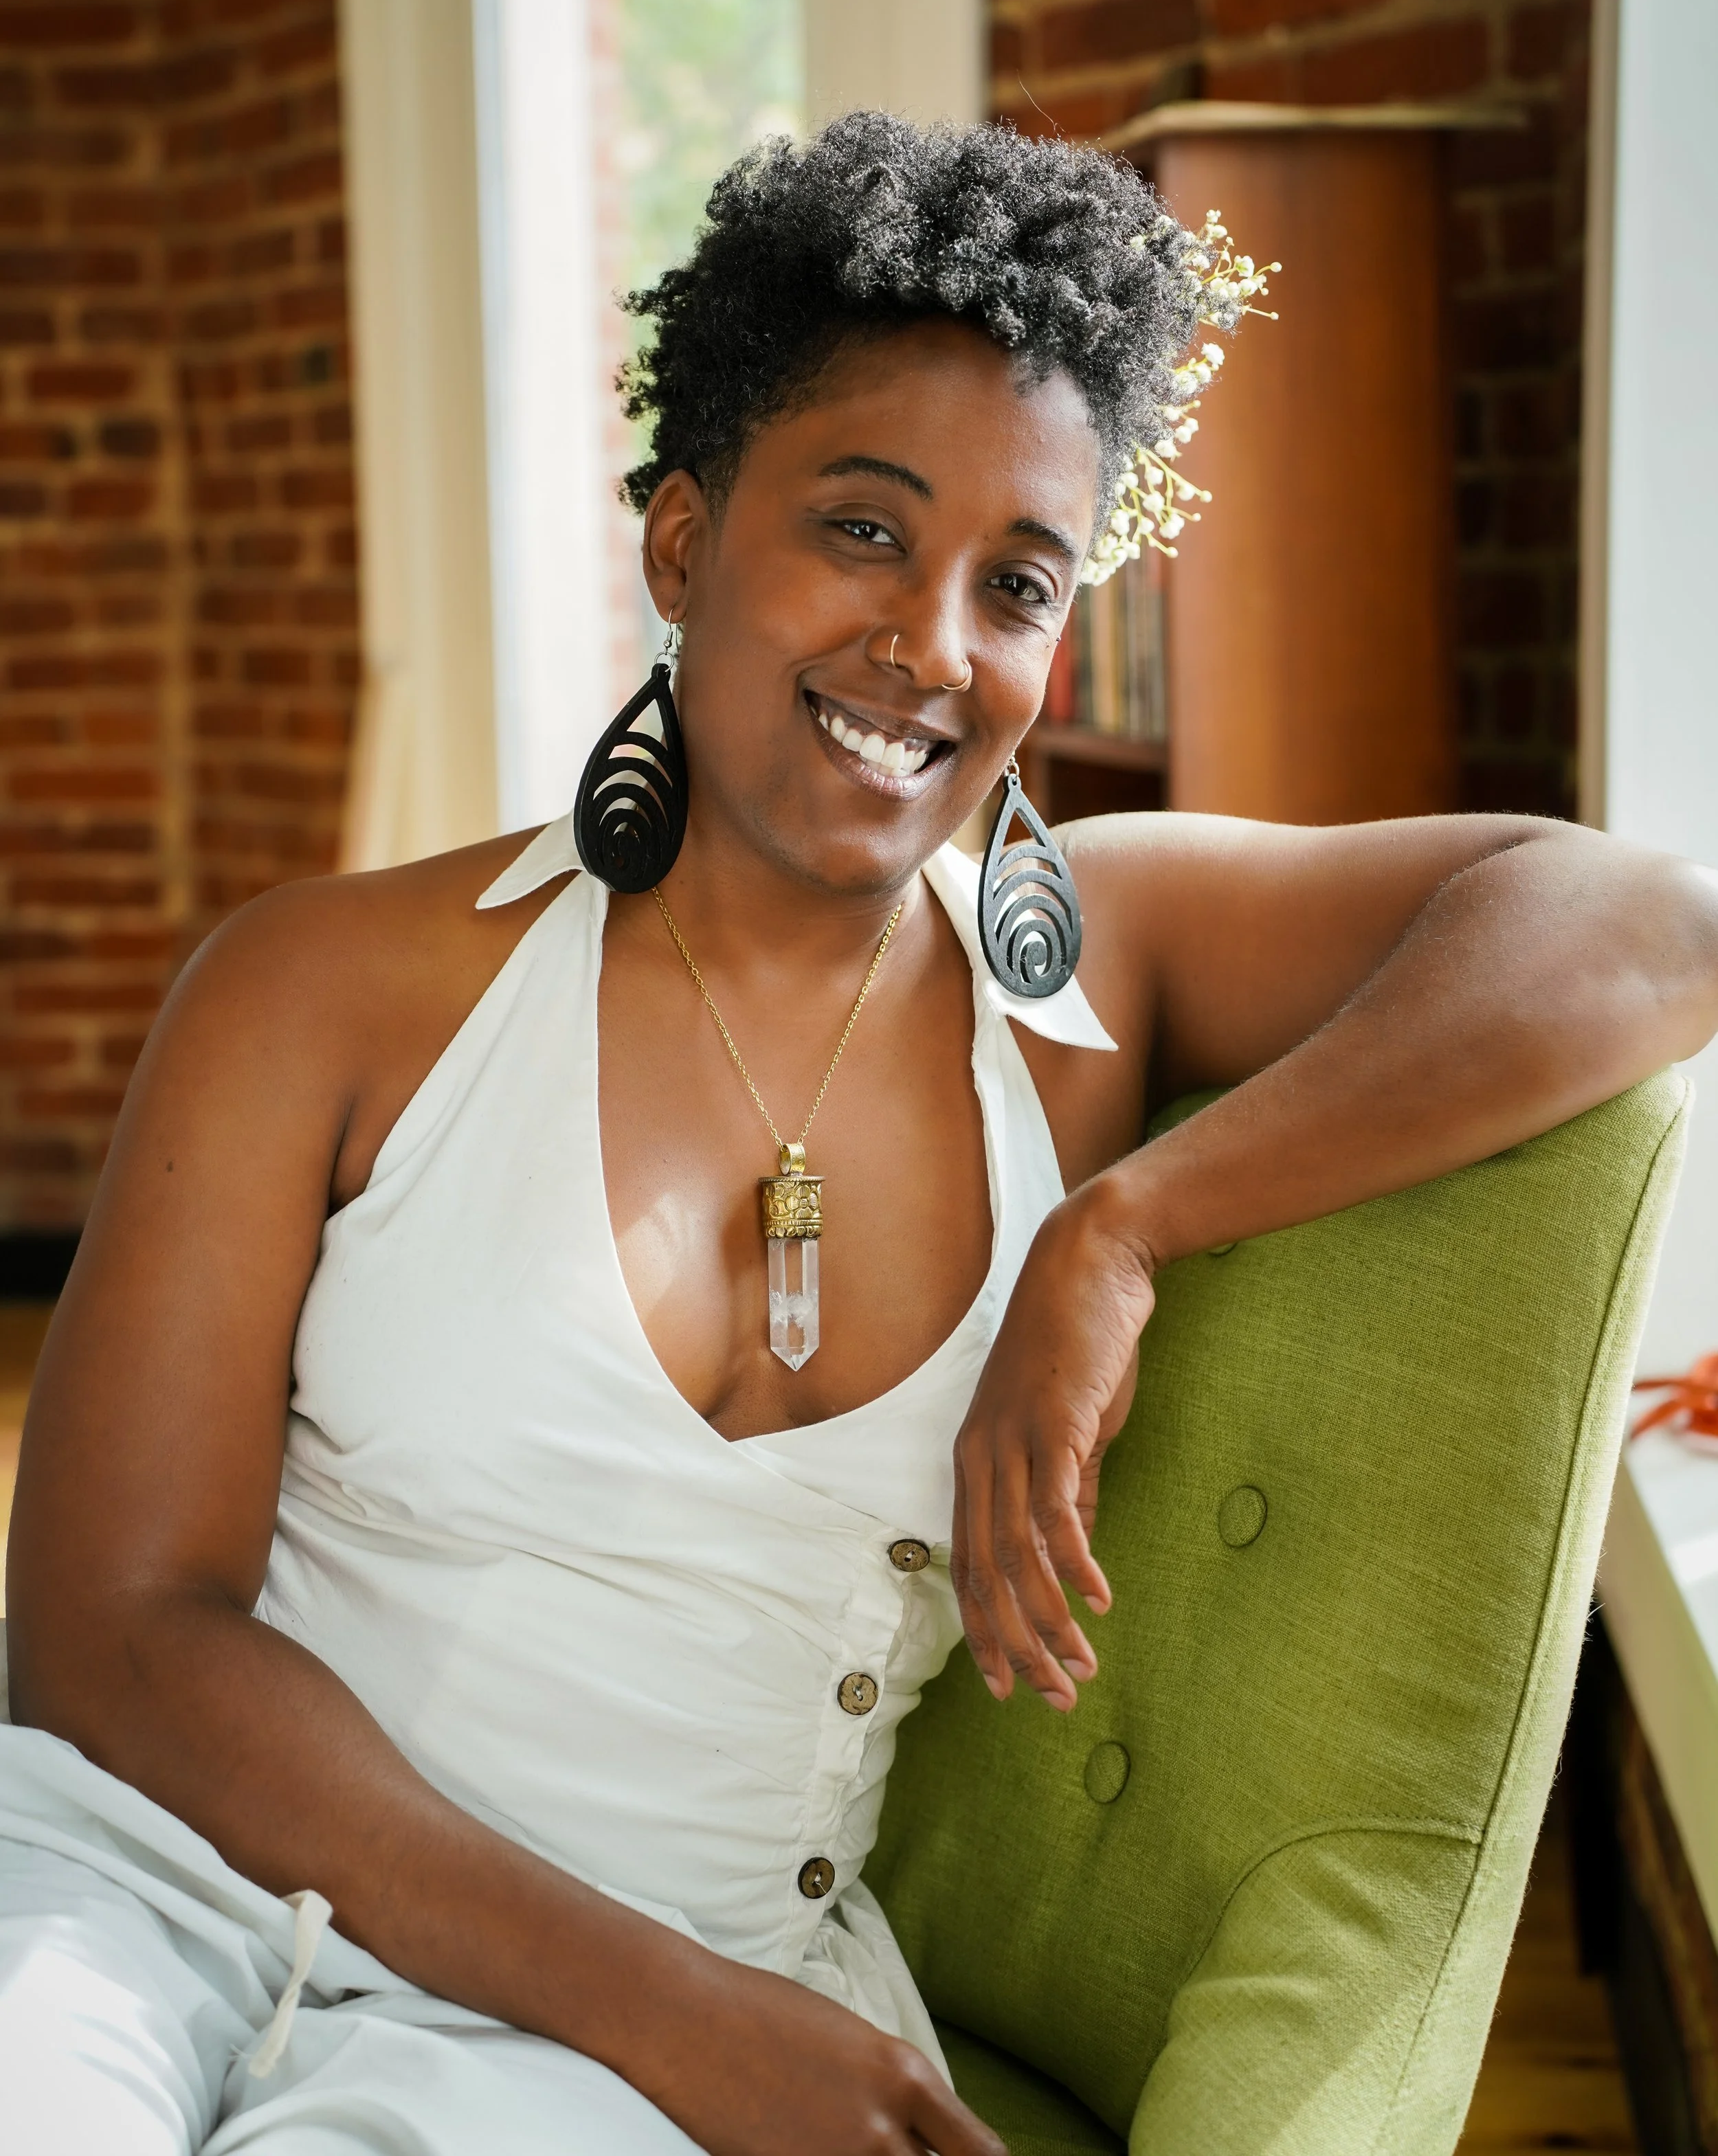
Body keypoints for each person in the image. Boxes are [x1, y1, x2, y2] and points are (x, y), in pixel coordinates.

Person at [3, 113, 1715, 2156]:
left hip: (589, 2075)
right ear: (681, 543)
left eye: (1018, 579)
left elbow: (1643, 924)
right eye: (863, 531)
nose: (932, 646)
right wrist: (677, 2013)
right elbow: (111, 1633)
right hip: (147, 1892)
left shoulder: (1090, 988)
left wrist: (1122, 1227)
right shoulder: (318, 990)